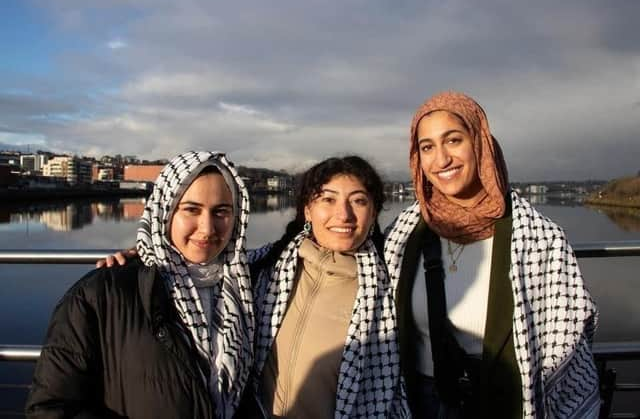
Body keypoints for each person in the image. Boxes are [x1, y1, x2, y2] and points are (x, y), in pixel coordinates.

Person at [383, 91, 600, 418]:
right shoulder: (403, 232)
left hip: (505, 404)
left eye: (453, 140)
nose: (441, 160)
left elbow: (568, 349)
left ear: (480, 142)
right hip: (418, 404)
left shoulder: (539, 238)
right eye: (427, 147)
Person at [26, 151, 254, 419]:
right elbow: (50, 408)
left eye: (221, 212)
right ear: (165, 212)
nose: (207, 228)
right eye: (191, 209)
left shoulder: (244, 286)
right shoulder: (101, 293)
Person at [249, 156, 409, 419]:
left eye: (358, 201)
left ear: (374, 212)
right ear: (308, 210)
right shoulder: (265, 272)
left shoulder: (390, 289)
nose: (343, 214)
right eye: (328, 199)